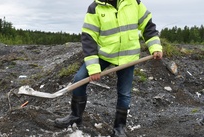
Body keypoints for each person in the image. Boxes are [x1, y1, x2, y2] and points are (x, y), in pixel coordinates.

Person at [54, 0, 163, 137]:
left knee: (124, 93)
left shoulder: (134, 3)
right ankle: (75, 117)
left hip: (127, 57)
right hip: (104, 54)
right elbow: (89, 38)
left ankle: (119, 129)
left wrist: (155, 47)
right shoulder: (95, 8)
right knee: (79, 80)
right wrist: (94, 68)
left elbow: (148, 26)